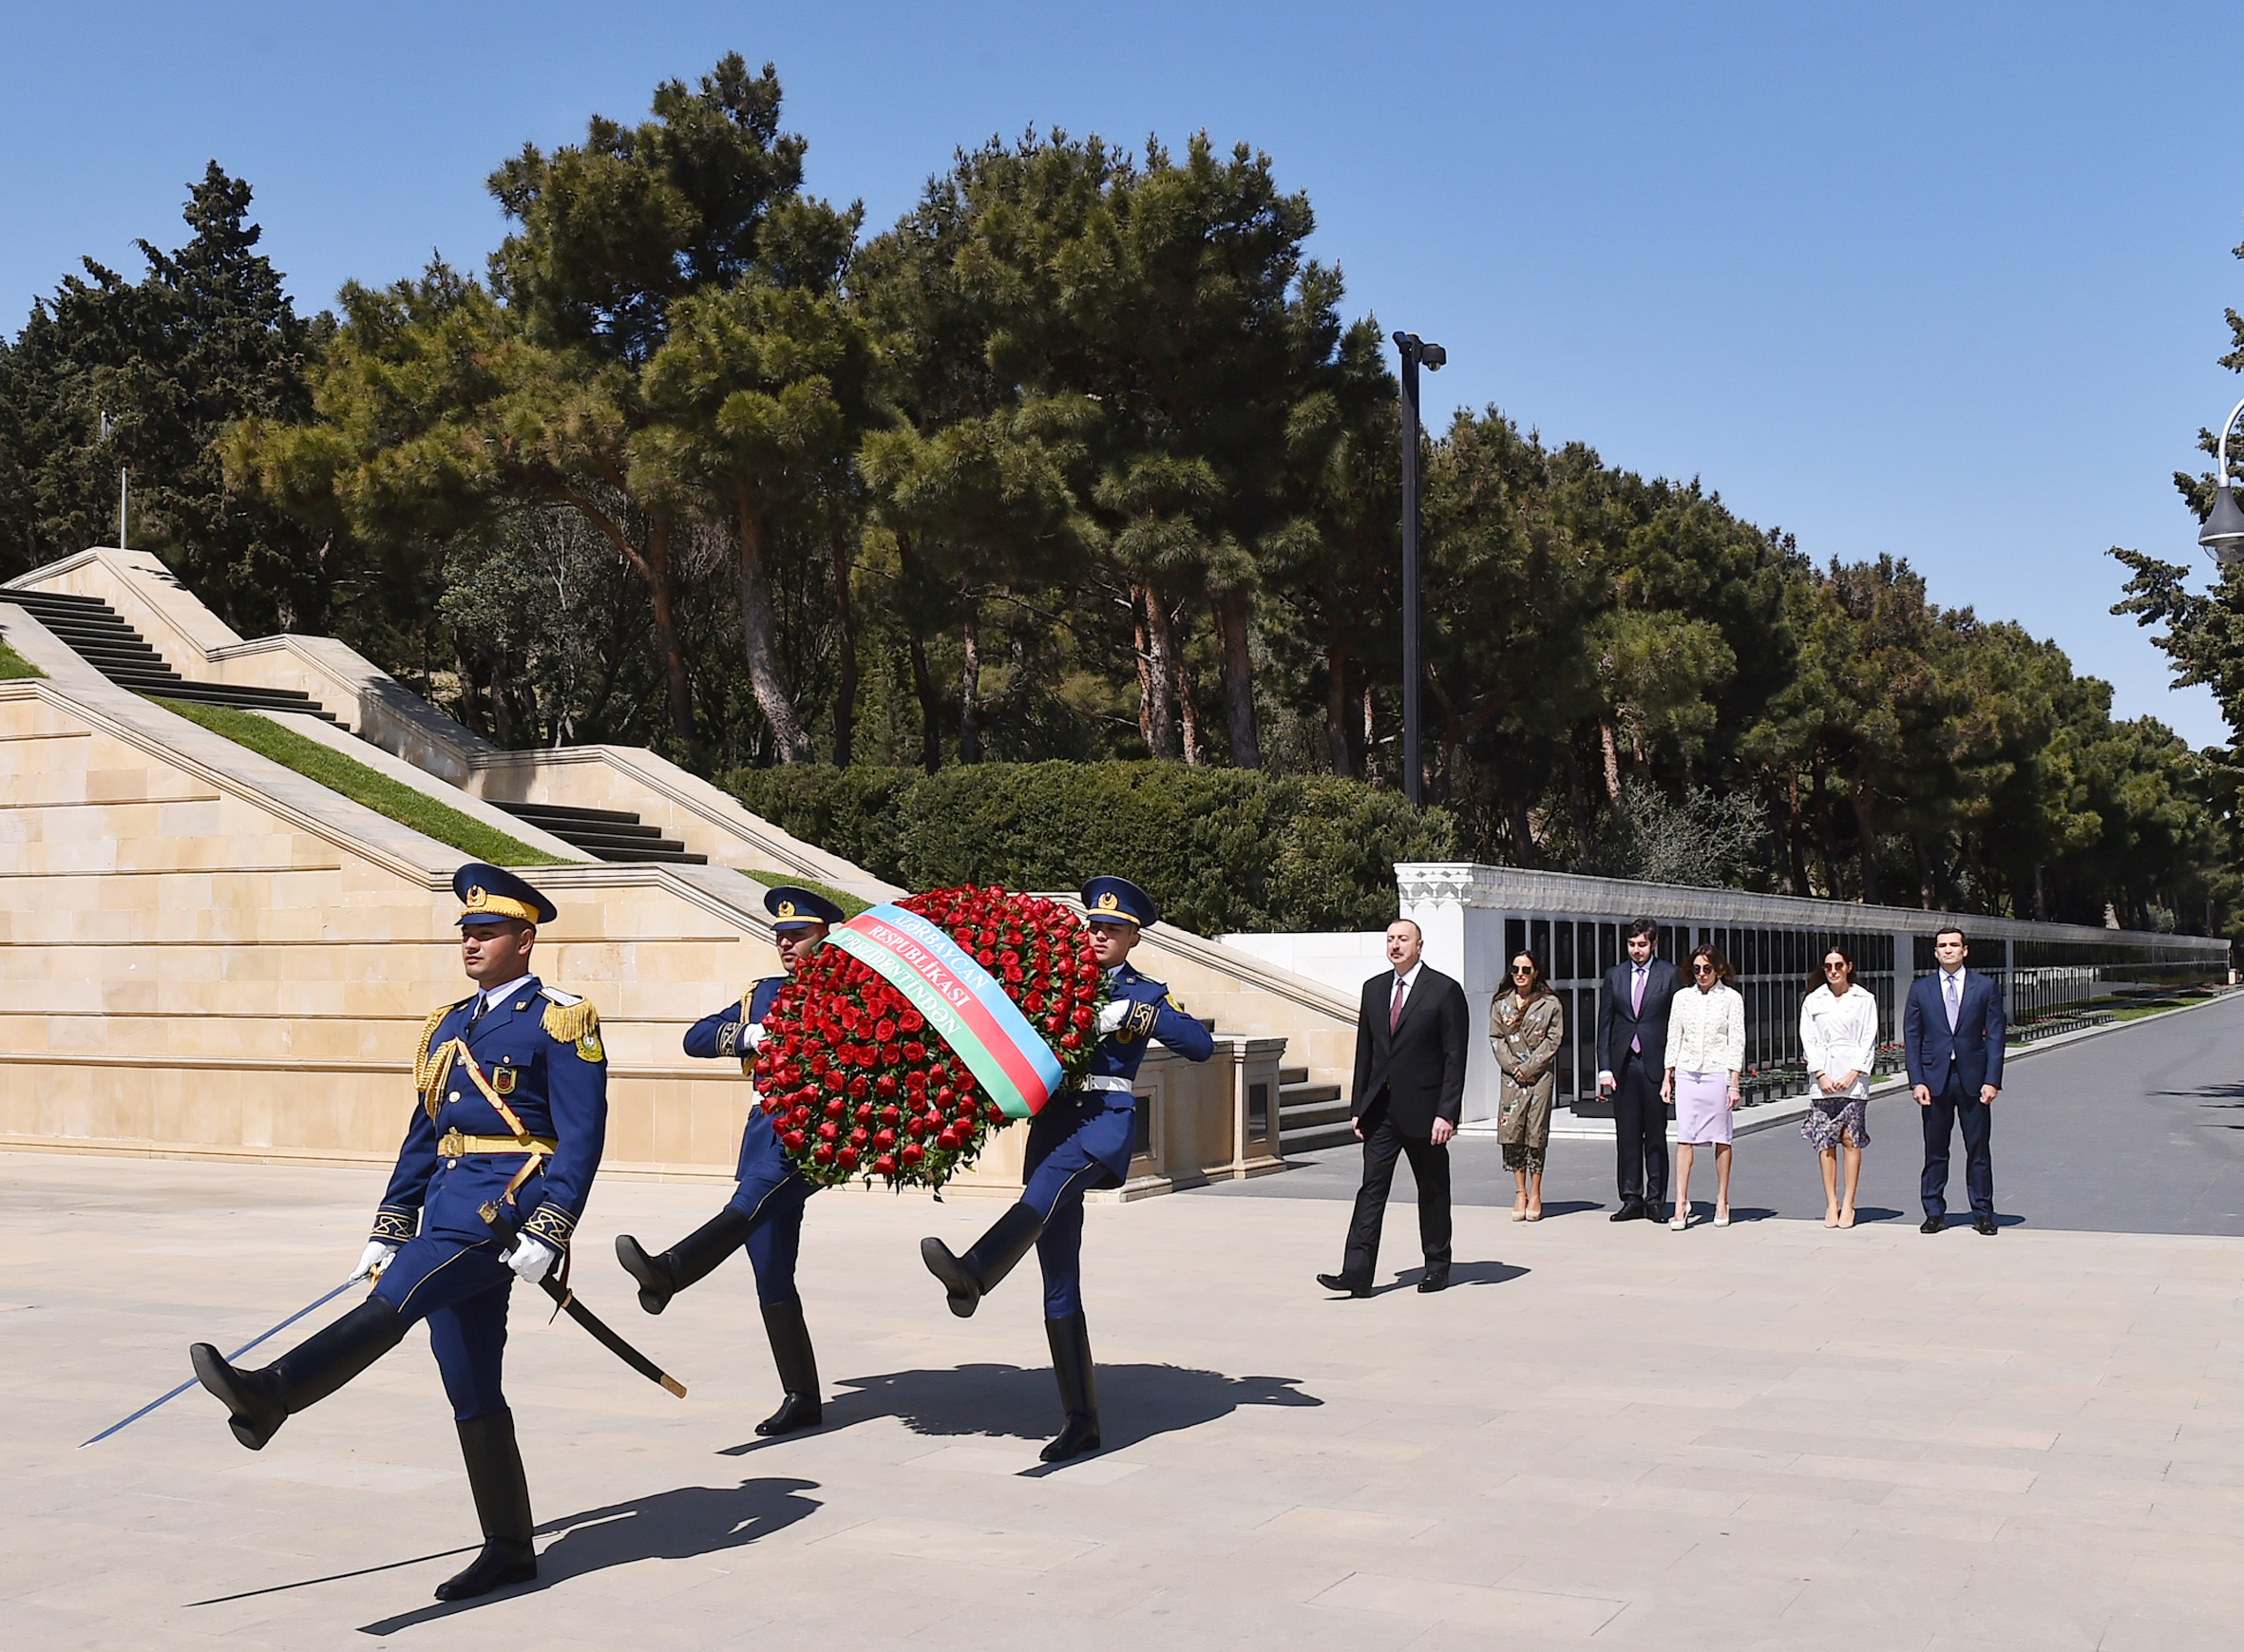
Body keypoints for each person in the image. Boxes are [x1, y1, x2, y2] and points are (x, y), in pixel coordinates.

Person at [189, 864, 608, 1602]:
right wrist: (390, 1222)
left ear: (525, 937)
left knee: (399, 1299)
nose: (471, 942)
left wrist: (553, 1222)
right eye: (466, 932)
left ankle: (273, 1391)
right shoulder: (449, 1024)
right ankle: (511, 1546)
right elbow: (423, 1134)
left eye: (487, 931)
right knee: (469, 1380)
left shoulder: (559, 1017)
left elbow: (580, 1136)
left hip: (499, 1214)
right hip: (447, 1202)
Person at [920, 876, 1213, 1463]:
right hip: (1055, 1124)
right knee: (1057, 1273)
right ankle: (1082, 1420)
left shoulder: (1147, 992)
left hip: (1102, 1123)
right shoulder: (1056, 980)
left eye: (1112, 928)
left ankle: (975, 1271)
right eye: (1094, 925)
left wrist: (1143, 1016)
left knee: (1051, 1188)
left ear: (1132, 937)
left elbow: (1200, 1046)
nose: (1099, 934)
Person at [613, 884, 846, 1438]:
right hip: (763, 1130)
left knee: (750, 1202)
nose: (787, 946)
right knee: (769, 1265)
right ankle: (802, 1395)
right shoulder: (762, 995)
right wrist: (747, 1034)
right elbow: (694, 1038)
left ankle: (671, 1271)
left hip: (814, 1132)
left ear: (826, 937)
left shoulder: (850, 992)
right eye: (781, 937)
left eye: (799, 936)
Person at [1316, 917, 1471, 1297]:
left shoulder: (1444, 991)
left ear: (1419, 946)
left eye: (1403, 939)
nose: (1396, 945)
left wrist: (1447, 1112)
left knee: (1432, 1189)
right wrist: (1358, 1106)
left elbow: (1455, 1057)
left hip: (1426, 1111)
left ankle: (1437, 1265)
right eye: (1390, 939)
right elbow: (1365, 1053)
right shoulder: (1374, 989)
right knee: (1371, 1189)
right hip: (1381, 1110)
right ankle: (1357, 1273)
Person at [1904, 926, 2005, 1236]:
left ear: (1965, 950)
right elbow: (1912, 1036)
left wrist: (1992, 1080)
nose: (1948, 950)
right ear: (1935, 952)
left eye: (1954, 945)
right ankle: (1934, 1212)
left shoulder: (1984, 987)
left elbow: (1996, 1035)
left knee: (1978, 1150)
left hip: (1973, 1079)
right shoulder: (1921, 989)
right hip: (1935, 1081)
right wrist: (1916, 1081)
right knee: (1935, 1150)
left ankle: (1983, 1213)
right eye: (1942, 946)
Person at [1597, 919, 1680, 1222]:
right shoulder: (1615, 976)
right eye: (1632, 945)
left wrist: (1673, 1069)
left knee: (1656, 1134)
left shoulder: (1669, 975)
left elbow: (1676, 1023)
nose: (1637, 951)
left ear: (1654, 944)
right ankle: (1631, 1197)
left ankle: (1656, 1198)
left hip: (1655, 1064)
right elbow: (1605, 1023)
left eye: (1642, 945)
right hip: (1623, 1066)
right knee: (1627, 1134)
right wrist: (1605, 1066)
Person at [1663, 944, 1744, 1229]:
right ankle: (1681, 1201)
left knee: (1721, 1137)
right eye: (1696, 969)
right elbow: (1674, 1036)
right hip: (1688, 1072)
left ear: (1718, 970)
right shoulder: (1682, 998)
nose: (1701, 974)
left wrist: (1734, 1082)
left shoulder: (1732, 999)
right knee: (1685, 1137)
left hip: (1717, 1072)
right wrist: (1668, 1074)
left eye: (1707, 969)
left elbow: (1737, 1041)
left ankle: (1722, 1198)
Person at [1799, 944, 1878, 1228]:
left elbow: (1869, 1037)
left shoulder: (1864, 999)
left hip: (1853, 1078)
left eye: (1839, 966)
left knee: (1850, 1138)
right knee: (1825, 1141)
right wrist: (1820, 1074)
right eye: (1828, 966)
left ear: (1849, 967)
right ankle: (1831, 1202)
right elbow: (1808, 1039)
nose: (1833, 971)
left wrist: (1854, 1072)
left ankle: (1849, 1203)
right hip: (1824, 1079)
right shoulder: (1813, 1000)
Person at [1489, 949, 1562, 1221]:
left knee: (1535, 1133)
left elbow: (1553, 1040)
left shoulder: (1550, 1003)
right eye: (1516, 970)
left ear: (1536, 972)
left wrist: (1530, 1068)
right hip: (1511, 1078)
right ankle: (1520, 1192)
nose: (1520, 975)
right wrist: (1514, 1068)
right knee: (1513, 1132)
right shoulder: (1501, 1003)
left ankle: (1536, 1191)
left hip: (1539, 1076)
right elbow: (1496, 1037)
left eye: (1526, 970)